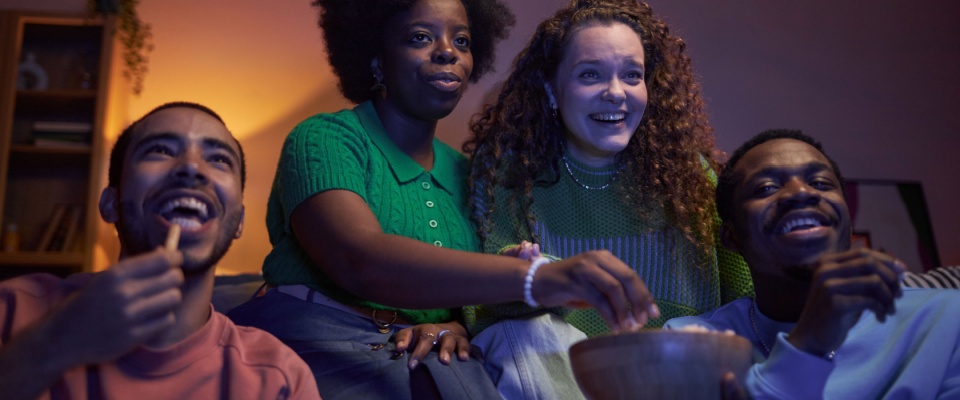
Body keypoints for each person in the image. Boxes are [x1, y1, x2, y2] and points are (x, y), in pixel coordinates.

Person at [226, 0, 658, 399]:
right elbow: (359, 261)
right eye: (421, 37)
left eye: (462, 41)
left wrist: (456, 324)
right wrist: (534, 278)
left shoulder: (474, 176)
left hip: (419, 358)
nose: (448, 51)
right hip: (312, 342)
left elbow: (468, 299)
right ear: (376, 58)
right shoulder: (324, 139)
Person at [463, 1, 754, 397]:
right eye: (590, 74)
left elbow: (747, 303)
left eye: (632, 75)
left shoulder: (690, 177)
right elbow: (483, 316)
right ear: (550, 89)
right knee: (519, 334)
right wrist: (530, 275)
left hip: (675, 381)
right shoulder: (507, 177)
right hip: (562, 381)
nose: (616, 93)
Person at [0, 102, 320, 400]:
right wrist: (58, 342)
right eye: (160, 150)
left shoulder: (279, 380)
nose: (191, 168)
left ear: (238, 221)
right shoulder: (12, 311)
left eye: (219, 159)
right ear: (110, 203)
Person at [664, 129, 960, 399]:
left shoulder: (945, 317)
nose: (801, 193)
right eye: (766, 188)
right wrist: (808, 342)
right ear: (732, 236)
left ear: (848, 220)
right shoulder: (692, 342)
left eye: (820, 183)